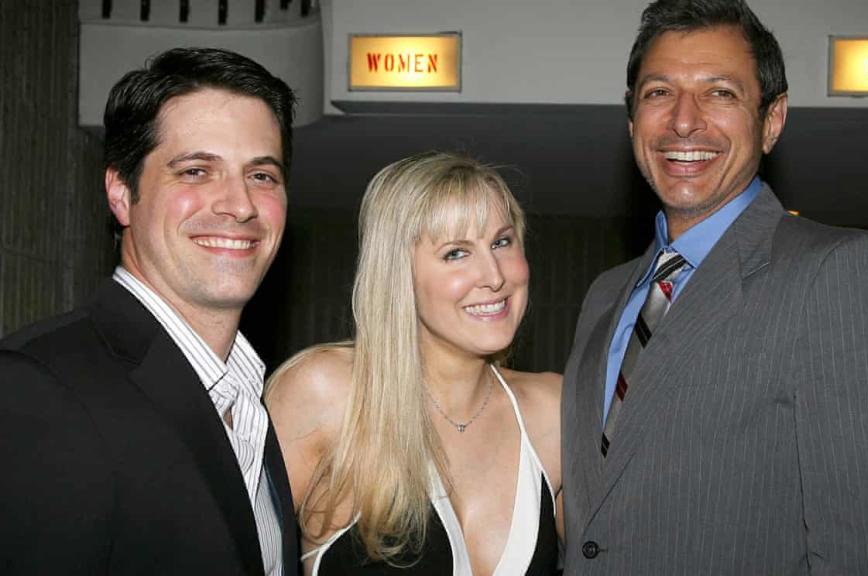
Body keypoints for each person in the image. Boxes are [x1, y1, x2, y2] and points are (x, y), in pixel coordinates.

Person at [561, 0, 868, 574]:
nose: (684, 121)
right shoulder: (605, 296)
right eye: (659, 92)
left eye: (720, 93)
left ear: (772, 120)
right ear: (632, 117)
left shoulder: (839, 274)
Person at [0, 48, 300, 574]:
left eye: (262, 176)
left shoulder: (250, 395)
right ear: (120, 193)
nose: (240, 204)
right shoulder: (37, 389)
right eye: (195, 170)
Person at [266, 151, 562, 575]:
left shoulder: (551, 411)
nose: (494, 276)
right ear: (398, 273)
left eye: (501, 241)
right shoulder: (328, 394)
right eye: (456, 253)